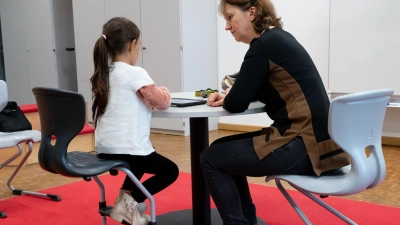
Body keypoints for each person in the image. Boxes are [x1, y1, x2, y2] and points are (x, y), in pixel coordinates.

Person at [200, 1, 351, 224]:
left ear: (251, 13)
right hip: (320, 145)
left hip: (300, 145)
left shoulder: (262, 46)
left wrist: (228, 96)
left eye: (230, 17)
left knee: (211, 157)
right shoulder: (279, 38)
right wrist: (233, 95)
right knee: (220, 151)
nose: (227, 26)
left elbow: (236, 103)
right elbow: (257, 88)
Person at [90, 17, 179, 225]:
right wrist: (164, 90)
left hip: (105, 148)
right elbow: (162, 101)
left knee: (142, 155)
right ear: (132, 45)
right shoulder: (135, 73)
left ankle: (127, 205)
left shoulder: (105, 73)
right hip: (129, 149)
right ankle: (129, 203)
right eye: (139, 44)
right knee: (170, 171)